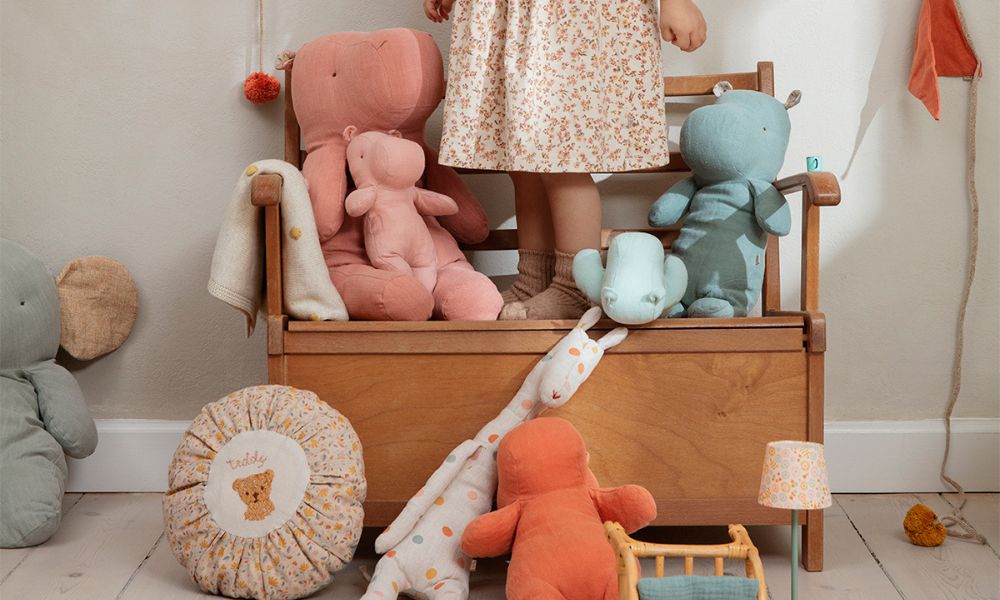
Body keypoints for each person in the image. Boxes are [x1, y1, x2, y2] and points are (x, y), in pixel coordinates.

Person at [427, 0, 706, 320]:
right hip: (515, 17)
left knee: (564, 161)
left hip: (567, 20)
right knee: (524, 164)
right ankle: (534, 279)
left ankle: (575, 286)